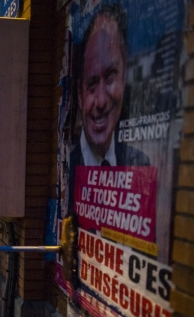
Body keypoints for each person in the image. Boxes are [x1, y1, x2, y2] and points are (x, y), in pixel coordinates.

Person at [68, 4, 149, 210]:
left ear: (124, 78)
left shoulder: (141, 165)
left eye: (111, 76)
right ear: (79, 93)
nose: (102, 101)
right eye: (92, 83)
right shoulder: (68, 169)